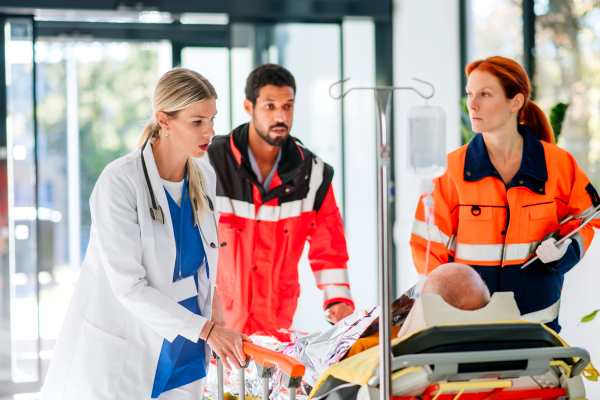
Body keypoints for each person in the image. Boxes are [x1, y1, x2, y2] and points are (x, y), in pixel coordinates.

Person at [41, 68, 250, 400]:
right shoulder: (120, 182)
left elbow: (202, 260)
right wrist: (208, 330)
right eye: (198, 122)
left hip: (186, 347)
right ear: (164, 120)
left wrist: (217, 310)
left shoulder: (204, 176)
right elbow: (129, 286)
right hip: (128, 344)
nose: (210, 131)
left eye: (212, 119)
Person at [410, 56, 600, 333]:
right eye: (470, 94)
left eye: (484, 94)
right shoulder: (450, 171)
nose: (472, 104)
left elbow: (587, 218)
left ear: (516, 102)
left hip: (538, 327)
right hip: (467, 325)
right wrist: (443, 309)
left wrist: (565, 251)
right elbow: (428, 249)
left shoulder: (558, 165)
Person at [207, 64, 354, 334]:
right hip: (216, 325)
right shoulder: (209, 163)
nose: (281, 116)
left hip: (276, 327)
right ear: (249, 107)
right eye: (270, 106)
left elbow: (330, 247)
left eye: (288, 106)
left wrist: (338, 299)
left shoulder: (313, 174)